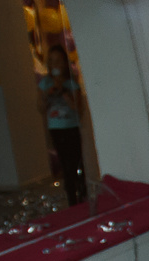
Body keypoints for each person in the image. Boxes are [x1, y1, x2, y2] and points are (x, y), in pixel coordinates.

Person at [38, 46, 87, 207]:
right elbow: (40, 108)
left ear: (65, 64)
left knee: (75, 161)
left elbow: (77, 108)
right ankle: (72, 198)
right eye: (51, 62)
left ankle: (82, 191)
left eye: (58, 61)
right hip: (56, 129)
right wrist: (47, 96)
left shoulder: (72, 83)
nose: (55, 65)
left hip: (71, 127)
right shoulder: (45, 84)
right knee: (65, 164)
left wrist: (64, 91)